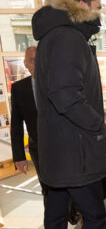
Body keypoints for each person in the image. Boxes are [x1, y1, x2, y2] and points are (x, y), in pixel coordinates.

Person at [32, 0, 106, 228]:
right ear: (81, 4)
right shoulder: (68, 37)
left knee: (55, 218)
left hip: (60, 155)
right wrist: (97, 122)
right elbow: (65, 95)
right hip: (77, 156)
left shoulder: (53, 35)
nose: (100, 12)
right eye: (97, 6)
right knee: (95, 219)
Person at [10, 46, 47, 196]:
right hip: (38, 149)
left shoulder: (58, 84)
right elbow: (16, 124)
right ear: (25, 63)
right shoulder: (19, 89)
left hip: (63, 146)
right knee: (48, 189)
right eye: (32, 60)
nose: (37, 64)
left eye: (40, 59)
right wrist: (19, 156)